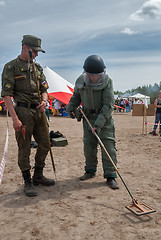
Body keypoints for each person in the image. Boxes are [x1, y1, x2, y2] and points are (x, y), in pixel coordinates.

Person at [1, 35, 55, 197]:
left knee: (45, 144)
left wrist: (45, 102)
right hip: (23, 112)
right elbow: (7, 95)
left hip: (39, 111)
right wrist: (15, 119)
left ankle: (38, 175)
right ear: (25, 47)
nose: (37, 55)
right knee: (24, 148)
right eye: (35, 51)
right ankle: (27, 181)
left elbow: (45, 90)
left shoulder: (37, 68)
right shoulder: (12, 67)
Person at [67, 55, 119, 189]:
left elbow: (109, 106)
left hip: (105, 120)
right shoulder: (80, 81)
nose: (94, 77)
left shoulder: (107, 82)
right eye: (91, 74)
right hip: (87, 118)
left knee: (108, 146)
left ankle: (111, 175)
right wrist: (70, 107)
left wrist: (99, 123)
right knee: (88, 146)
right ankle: (90, 170)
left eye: (97, 75)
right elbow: (76, 97)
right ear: (86, 73)